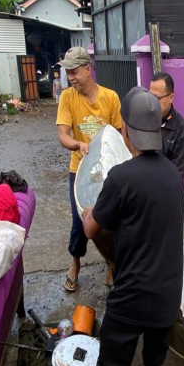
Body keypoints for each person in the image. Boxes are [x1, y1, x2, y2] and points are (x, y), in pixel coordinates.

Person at [80, 87, 184, 366]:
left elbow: (93, 228)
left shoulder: (120, 177)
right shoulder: (175, 178)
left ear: (125, 130)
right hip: (167, 294)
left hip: (130, 296)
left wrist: (93, 210)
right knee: (156, 344)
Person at [56, 46, 122, 292]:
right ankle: (75, 264)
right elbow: (63, 135)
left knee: (110, 222)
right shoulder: (67, 98)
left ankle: (110, 264)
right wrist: (78, 144)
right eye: (68, 73)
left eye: (74, 72)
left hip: (108, 172)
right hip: (80, 170)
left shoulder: (111, 97)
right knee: (79, 221)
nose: (71, 77)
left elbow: (118, 134)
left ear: (87, 69)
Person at [149, 72, 184, 178]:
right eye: (150, 97)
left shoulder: (180, 127)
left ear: (171, 97)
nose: (151, 102)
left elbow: (178, 172)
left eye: (157, 98)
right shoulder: (142, 116)